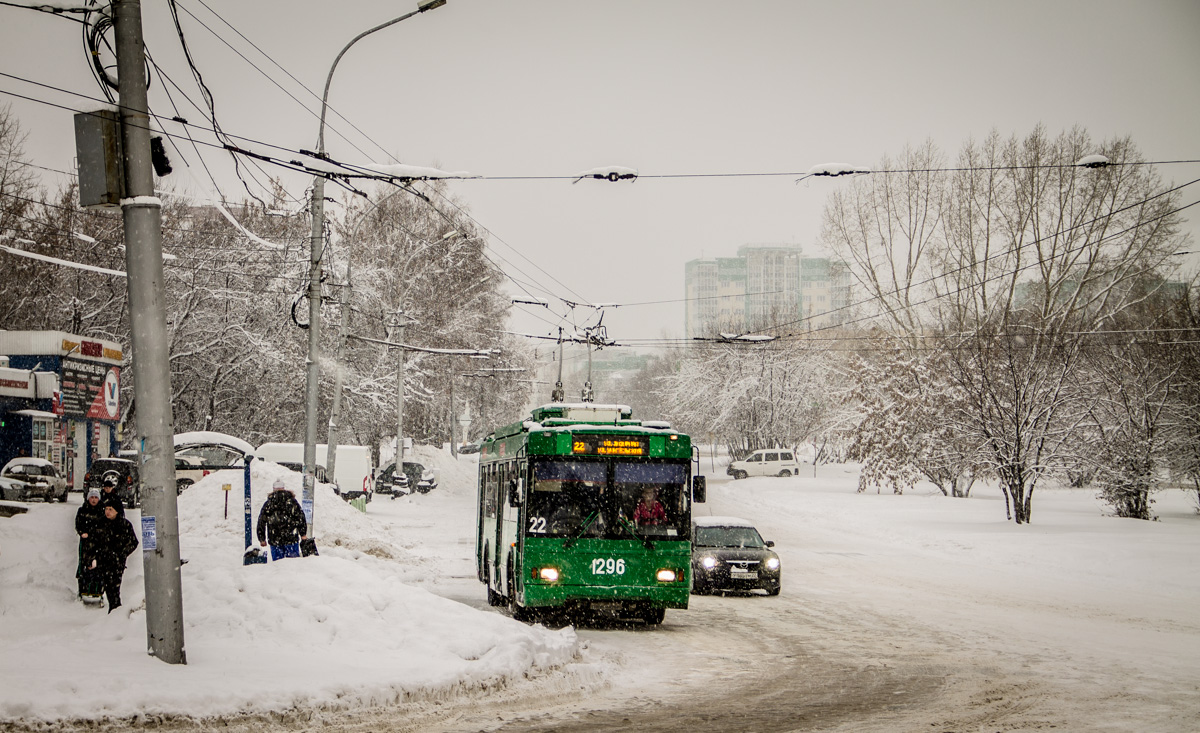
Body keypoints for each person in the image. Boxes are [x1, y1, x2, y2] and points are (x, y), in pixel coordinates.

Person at [85, 503, 139, 612]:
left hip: (117, 562)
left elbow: (133, 542)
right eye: (106, 509)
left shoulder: (124, 524)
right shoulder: (100, 523)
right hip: (103, 561)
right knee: (108, 589)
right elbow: (92, 542)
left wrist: (123, 553)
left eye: (110, 509)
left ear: (117, 511)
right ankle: (114, 611)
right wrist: (91, 558)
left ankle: (115, 611)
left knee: (114, 588)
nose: (107, 512)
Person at [257, 478, 308, 560]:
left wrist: (262, 538)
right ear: (284, 488)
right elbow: (300, 518)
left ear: (273, 489)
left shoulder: (269, 504)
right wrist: (303, 534)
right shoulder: (292, 502)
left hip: (275, 539)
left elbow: (261, 522)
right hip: (291, 538)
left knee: (278, 568)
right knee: (293, 565)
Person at [75, 488, 105, 598]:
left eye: (96, 497)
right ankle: (83, 588)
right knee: (84, 564)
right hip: (86, 542)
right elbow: (78, 523)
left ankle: (97, 590)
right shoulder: (83, 510)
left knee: (98, 564)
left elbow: (103, 525)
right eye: (91, 497)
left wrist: (96, 534)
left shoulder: (102, 510)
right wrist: (82, 532)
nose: (93, 500)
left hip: (98, 542)